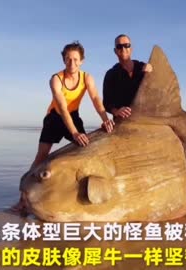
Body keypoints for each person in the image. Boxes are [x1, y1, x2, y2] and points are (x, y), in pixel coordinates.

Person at [11, 41, 114, 214]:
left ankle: (76, 193)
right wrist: (74, 133)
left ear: (81, 61)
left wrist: (105, 119)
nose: (71, 63)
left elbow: (96, 98)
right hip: (55, 117)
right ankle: (23, 198)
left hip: (73, 115)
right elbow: (62, 107)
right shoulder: (56, 79)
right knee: (42, 156)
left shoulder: (86, 78)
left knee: (85, 148)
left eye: (75, 59)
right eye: (68, 59)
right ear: (63, 60)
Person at [103, 34, 153, 119]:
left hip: (145, 118)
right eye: (119, 46)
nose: (123, 49)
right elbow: (107, 103)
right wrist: (116, 111)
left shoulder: (143, 68)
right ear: (115, 51)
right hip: (123, 122)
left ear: (131, 48)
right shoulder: (110, 74)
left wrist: (152, 69)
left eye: (126, 45)